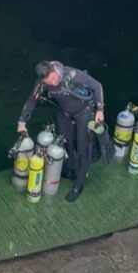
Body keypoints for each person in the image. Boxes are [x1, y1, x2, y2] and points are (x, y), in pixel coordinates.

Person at [17, 60, 105, 202]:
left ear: (54, 70)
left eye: (53, 78)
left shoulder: (72, 74)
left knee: (83, 147)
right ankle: (69, 169)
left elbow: (97, 85)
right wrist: (22, 122)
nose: (52, 83)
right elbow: (32, 100)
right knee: (64, 143)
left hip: (84, 111)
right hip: (65, 113)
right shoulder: (42, 83)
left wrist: (100, 109)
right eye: (48, 81)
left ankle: (79, 183)